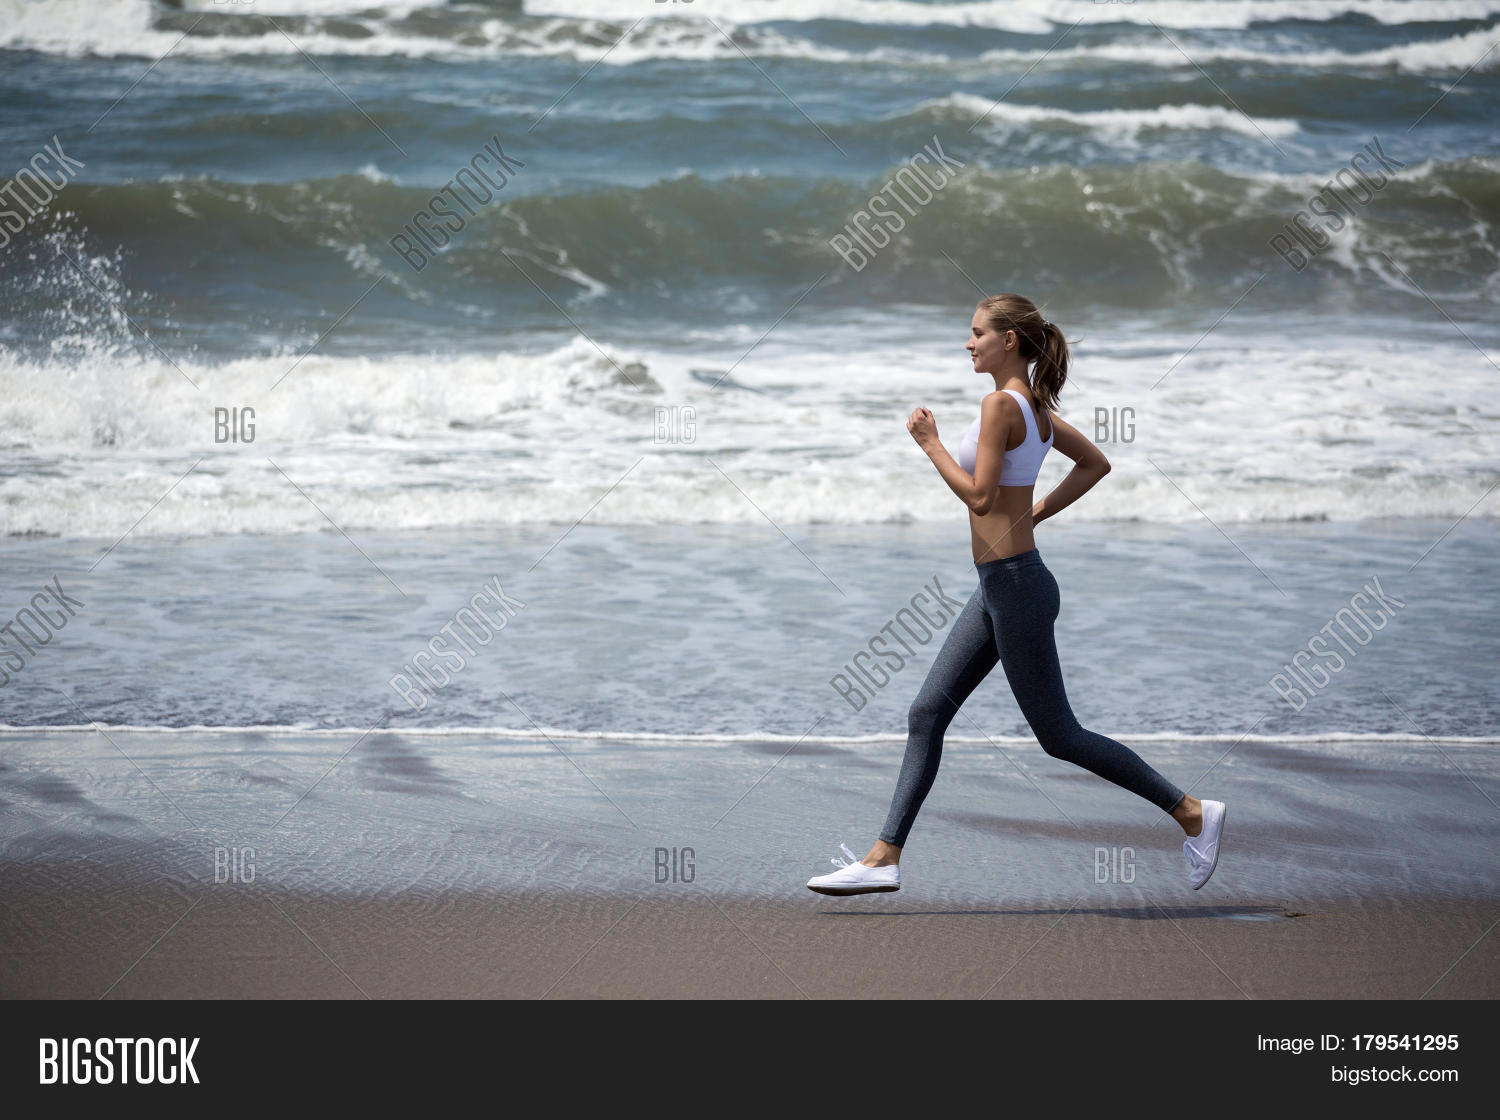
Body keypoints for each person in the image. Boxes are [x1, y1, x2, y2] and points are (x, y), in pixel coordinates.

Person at [807, 293, 1225, 896]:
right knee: (927, 713)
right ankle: (883, 858)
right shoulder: (1039, 414)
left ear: (1010, 340)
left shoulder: (1002, 405)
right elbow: (1094, 465)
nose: (968, 342)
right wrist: (1034, 512)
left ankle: (1190, 811)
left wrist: (929, 443)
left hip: (1017, 589)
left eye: (978, 332)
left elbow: (979, 498)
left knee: (1060, 737)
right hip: (1003, 585)